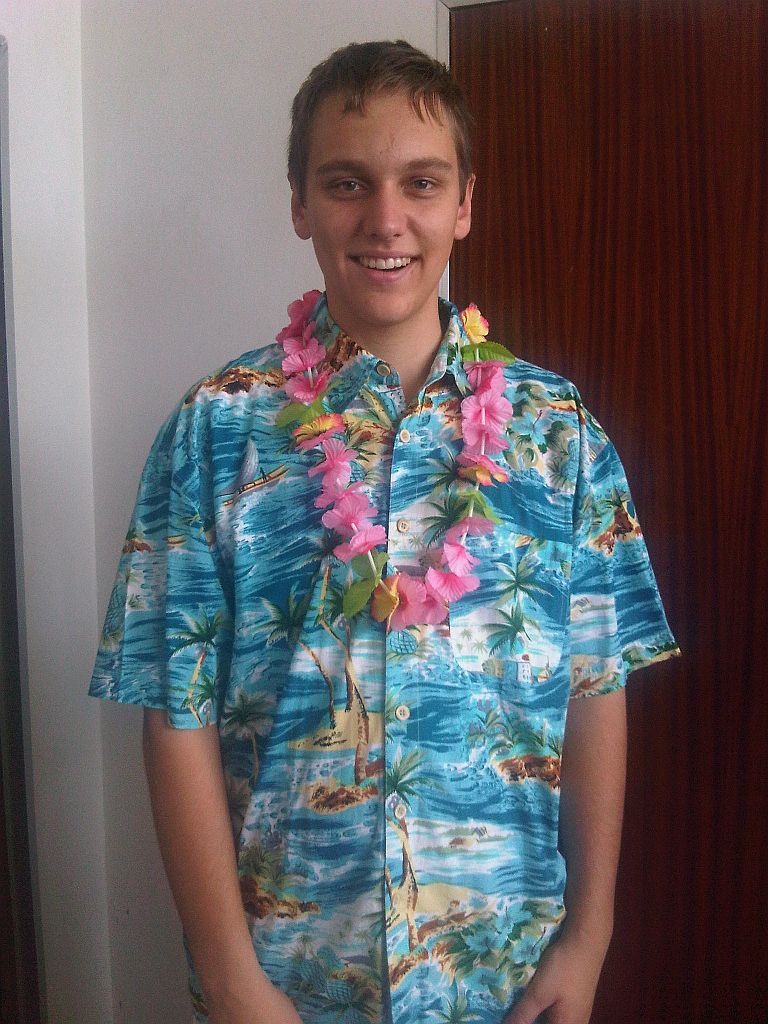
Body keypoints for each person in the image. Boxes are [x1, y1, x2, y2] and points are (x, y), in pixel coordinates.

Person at [90, 40, 679, 1024]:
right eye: (346, 183)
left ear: (466, 203)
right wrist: (231, 980)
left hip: (505, 981)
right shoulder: (217, 429)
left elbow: (596, 686)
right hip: (285, 983)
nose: (385, 218)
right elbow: (171, 713)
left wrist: (590, 937)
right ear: (300, 203)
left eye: (422, 182)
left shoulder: (558, 435)